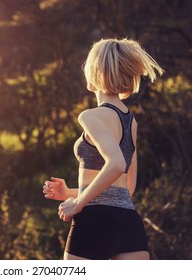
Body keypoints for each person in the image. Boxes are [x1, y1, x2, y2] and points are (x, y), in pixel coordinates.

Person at [42, 38, 164, 260]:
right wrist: (70, 192)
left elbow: (116, 164)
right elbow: (127, 188)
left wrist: (78, 202)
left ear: (95, 71)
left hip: (94, 221)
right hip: (129, 224)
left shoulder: (90, 116)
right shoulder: (131, 122)